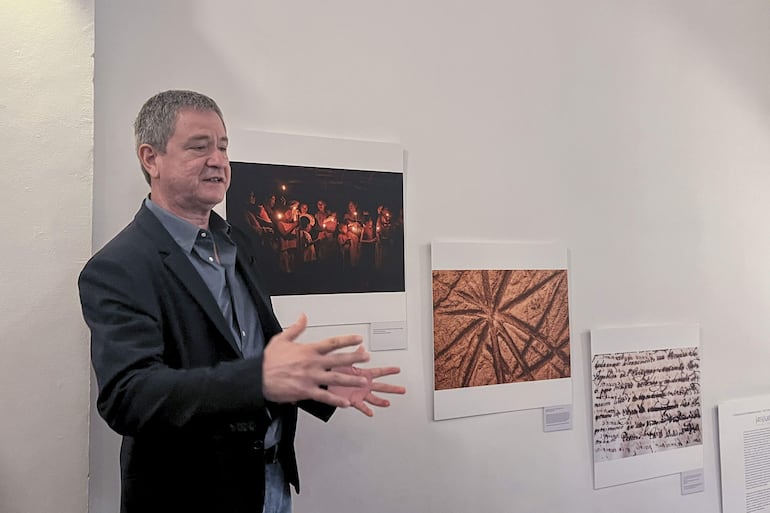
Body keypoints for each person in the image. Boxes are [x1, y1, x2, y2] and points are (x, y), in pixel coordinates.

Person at [78, 90, 405, 513]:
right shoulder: (118, 267)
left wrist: (318, 381)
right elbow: (129, 396)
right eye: (199, 147)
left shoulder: (236, 243)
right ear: (150, 158)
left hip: (269, 483)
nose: (218, 159)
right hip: (190, 497)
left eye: (223, 146)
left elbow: (255, 350)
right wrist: (260, 380)